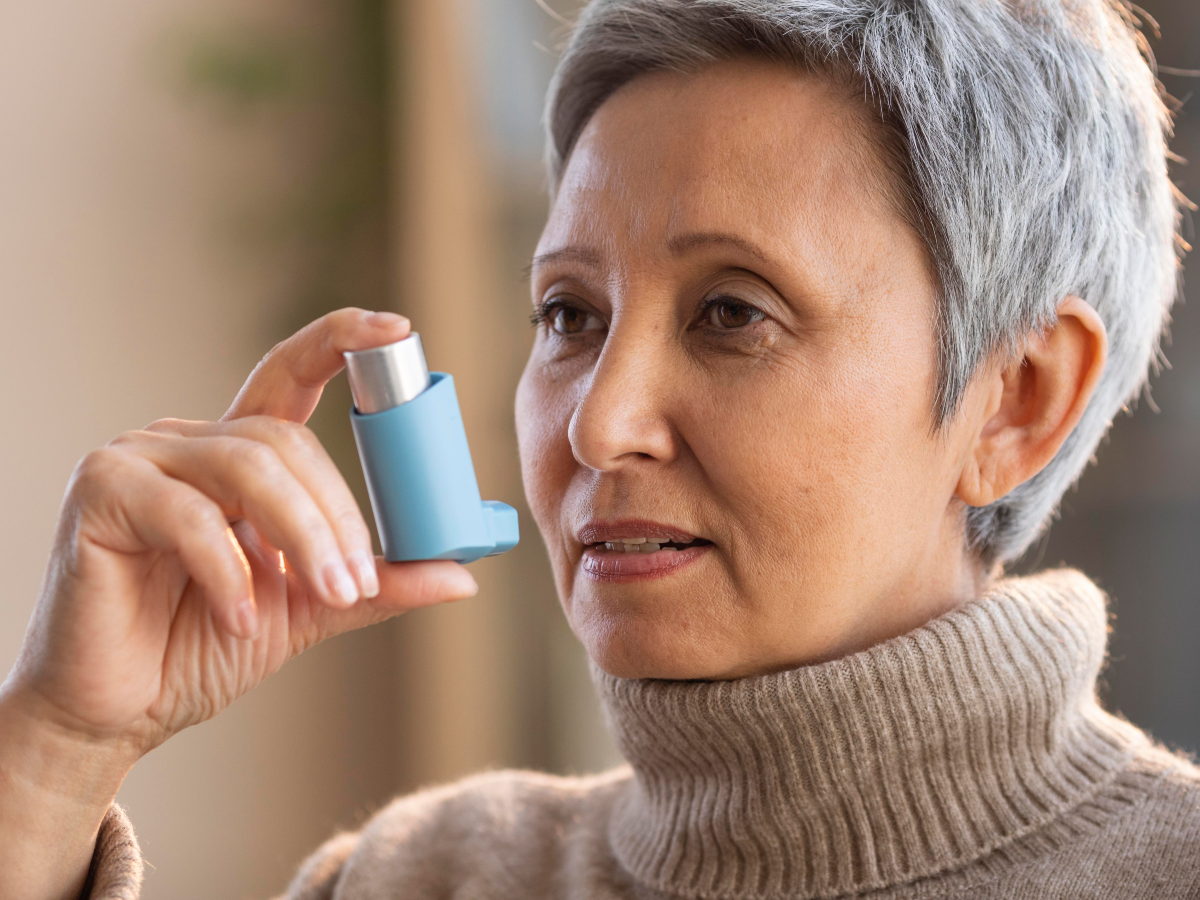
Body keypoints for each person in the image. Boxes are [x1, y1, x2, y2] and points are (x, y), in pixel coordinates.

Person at [2, 0, 1198, 897]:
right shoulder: (415, 882)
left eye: (734, 312)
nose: (596, 421)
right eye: (570, 315)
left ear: (1017, 401)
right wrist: (53, 763)